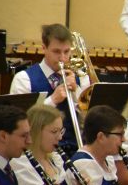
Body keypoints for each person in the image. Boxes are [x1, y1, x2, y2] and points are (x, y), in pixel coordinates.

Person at [10, 23, 88, 155]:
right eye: (56, 51)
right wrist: (53, 100)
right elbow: (18, 123)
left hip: (76, 149)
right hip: (40, 152)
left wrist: (77, 92)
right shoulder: (24, 79)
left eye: (66, 51)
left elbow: (89, 120)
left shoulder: (81, 78)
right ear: (44, 48)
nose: (63, 58)